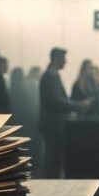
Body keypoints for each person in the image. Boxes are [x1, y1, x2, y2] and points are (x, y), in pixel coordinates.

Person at [40, 47, 90, 178]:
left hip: (53, 125)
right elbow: (56, 101)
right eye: (64, 59)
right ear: (57, 58)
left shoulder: (51, 75)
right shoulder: (51, 76)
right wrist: (79, 105)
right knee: (53, 163)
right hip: (53, 126)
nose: (66, 62)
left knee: (53, 162)